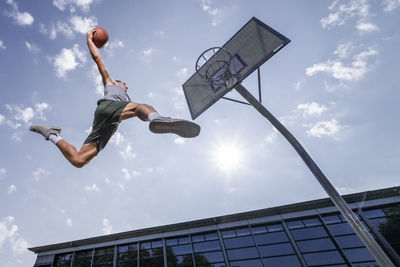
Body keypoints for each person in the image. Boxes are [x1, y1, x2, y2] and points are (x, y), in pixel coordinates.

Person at [30, 28, 200, 168]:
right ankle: (159, 119)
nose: (126, 85)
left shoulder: (124, 97)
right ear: (116, 82)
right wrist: (89, 39)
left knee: (79, 160)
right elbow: (98, 59)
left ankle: (52, 134)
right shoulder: (111, 83)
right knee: (140, 107)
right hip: (108, 108)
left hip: (105, 125)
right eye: (123, 82)